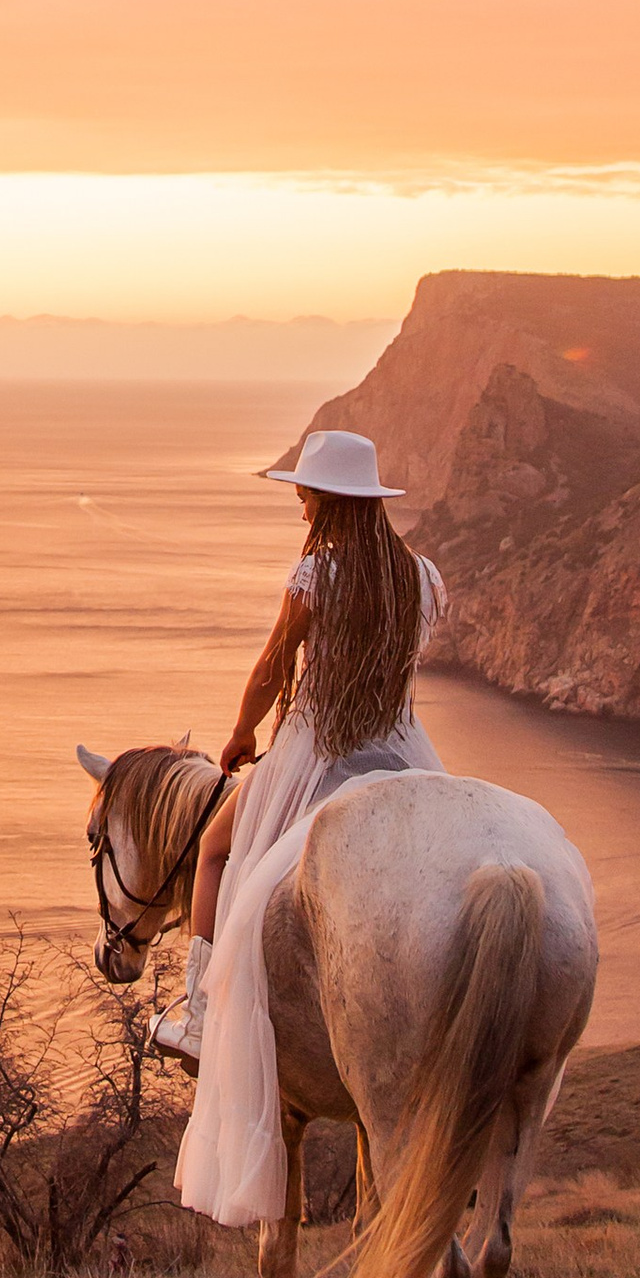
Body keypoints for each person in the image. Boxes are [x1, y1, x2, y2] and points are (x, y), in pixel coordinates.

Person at [159, 424, 446, 1227]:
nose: (298, 498)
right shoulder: (418, 577)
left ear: (327, 500)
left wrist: (242, 733)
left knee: (216, 854)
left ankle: (198, 1017)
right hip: (400, 747)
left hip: (318, 748)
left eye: (306, 489)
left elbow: (275, 663)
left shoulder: (317, 570)